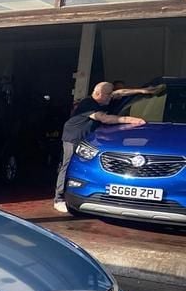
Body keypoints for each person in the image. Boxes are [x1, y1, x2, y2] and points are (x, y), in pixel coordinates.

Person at [54, 81, 159, 213]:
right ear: (98, 94)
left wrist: (143, 91)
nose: (111, 97)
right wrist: (131, 120)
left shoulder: (105, 97)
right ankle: (58, 199)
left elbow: (120, 93)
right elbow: (104, 118)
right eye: (108, 94)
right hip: (74, 137)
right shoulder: (88, 104)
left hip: (89, 139)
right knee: (68, 165)